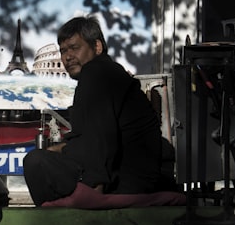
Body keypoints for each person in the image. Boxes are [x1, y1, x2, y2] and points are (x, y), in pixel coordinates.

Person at [23, 15, 170, 206]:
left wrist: (96, 183)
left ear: (97, 47)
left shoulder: (95, 72)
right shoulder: (109, 72)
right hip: (136, 179)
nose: (67, 57)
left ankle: (62, 222)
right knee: (49, 155)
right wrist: (64, 148)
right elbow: (95, 133)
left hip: (124, 183)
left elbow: (100, 135)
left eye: (75, 48)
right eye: (63, 51)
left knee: (36, 162)